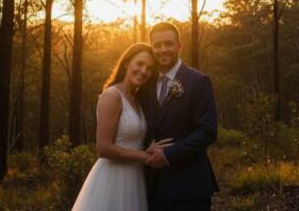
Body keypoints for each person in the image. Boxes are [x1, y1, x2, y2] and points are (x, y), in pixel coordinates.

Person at [71, 43, 172, 211]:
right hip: (113, 179)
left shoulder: (136, 99)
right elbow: (103, 148)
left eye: (149, 68)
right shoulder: (112, 95)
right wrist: (145, 156)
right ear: (126, 63)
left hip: (134, 178)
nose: (143, 71)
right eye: (139, 64)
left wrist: (149, 149)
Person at [140, 21, 219, 211]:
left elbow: (207, 131)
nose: (163, 49)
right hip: (152, 188)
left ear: (179, 46)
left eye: (169, 44)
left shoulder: (198, 81)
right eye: (157, 45)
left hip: (189, 187)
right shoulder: (145, 84)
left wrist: (167, 155)